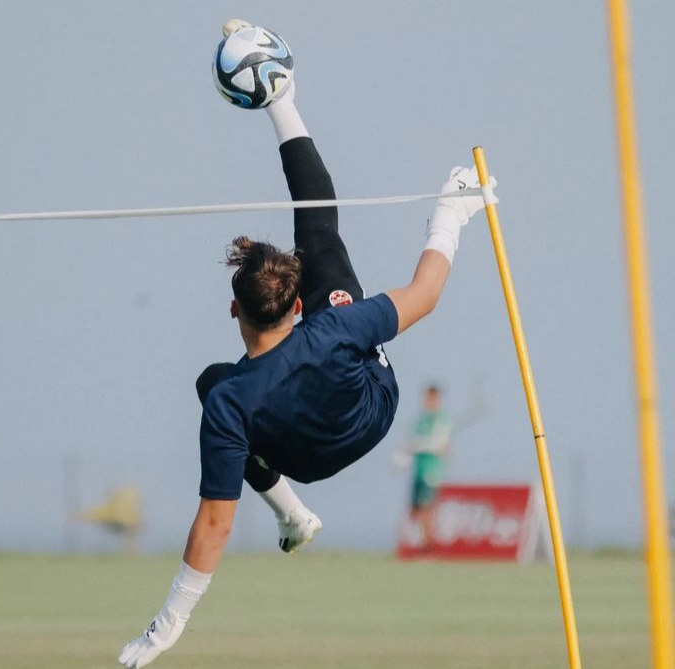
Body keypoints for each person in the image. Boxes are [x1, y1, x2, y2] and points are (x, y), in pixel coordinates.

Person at [118, 19, 496, 669]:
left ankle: (293, 514)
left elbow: (215, 523)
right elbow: (425, 293)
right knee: (321, 237)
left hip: (304, 454)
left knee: (213, 380)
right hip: (371, 412)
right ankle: (281, 95)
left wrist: (164, 629)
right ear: (296, 304)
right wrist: (451, 209)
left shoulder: (228, 403)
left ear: (233, 307)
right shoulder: (332, 325)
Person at [393, 385, 453, 544]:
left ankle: (429, 545)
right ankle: (421, 543)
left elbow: (445, 448)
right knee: (416, 509)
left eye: (432, 398)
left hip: (432, 472)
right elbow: (410, 444)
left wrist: (426, 445)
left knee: (427, 508)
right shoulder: (420, 421)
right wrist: (402, 459)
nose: (429, 401)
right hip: (418, 471)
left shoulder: (442, 421)